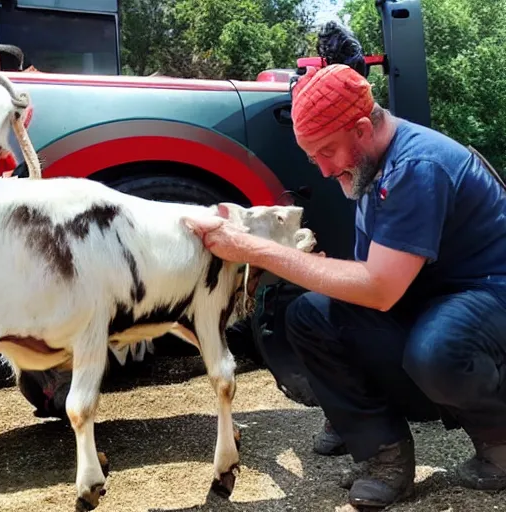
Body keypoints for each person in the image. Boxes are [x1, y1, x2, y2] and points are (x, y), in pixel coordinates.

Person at [182, 63, 506, 508]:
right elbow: (370, 274)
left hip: (489, 293)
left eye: (326, 151)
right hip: (434, 292)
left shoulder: (414, 166)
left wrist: (253, 250)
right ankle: (382, 455)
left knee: (438, 351)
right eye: (313, 156)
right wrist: (320, 271)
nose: (323, 168)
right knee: (311, 314)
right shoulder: (368, 165)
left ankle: (500, 442)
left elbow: (379, 289)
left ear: (359, 128)